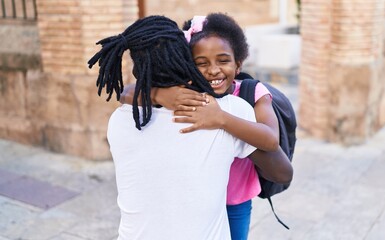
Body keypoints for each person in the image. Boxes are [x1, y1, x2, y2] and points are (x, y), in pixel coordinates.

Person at [88, 15, 293, 240]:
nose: (213, 70)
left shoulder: (120, 120)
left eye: (223, 60)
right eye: (201, 63)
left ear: (238, 64)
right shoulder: (212, 104)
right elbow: (126, 93)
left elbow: (271, 142)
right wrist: (159, 94)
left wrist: (221, 118)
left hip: (235, 197)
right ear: (187, 63)